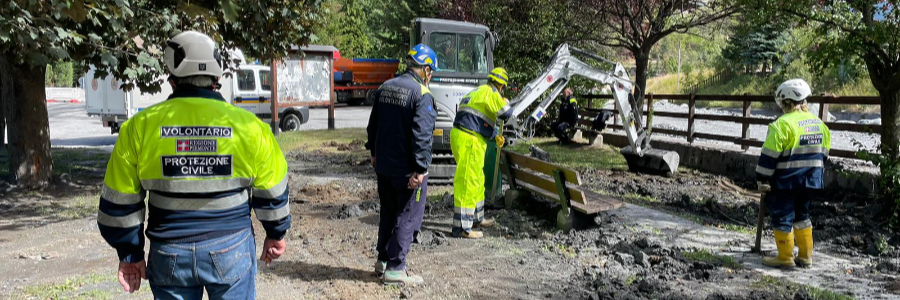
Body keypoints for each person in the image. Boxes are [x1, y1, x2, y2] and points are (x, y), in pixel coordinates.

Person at [97, 31, 291, 299]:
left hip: (169, 252)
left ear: (172, 78)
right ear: (217, 78)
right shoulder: (250, 128)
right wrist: (276, 233)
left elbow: (120, 201)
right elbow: (272, 189)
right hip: (231, 248)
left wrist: (130, 253)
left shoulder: (139, 128)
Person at [365, 43, 438, 285]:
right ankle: (396, 268)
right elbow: (422, 136)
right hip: (407, 170)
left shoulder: (386, 86)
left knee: (388, 212)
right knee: (408, 216)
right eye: (432, 72)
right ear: (426, 70)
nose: (432, 77)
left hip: (384, 166)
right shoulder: (422, 94)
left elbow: (373, 124)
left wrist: (373, 152)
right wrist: (420, 170)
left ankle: (383, 260)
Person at [756, 78, 831, 269]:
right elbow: (824, 155)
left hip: (786, 182)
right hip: (811, 181)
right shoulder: (820, 125)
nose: (781, 107)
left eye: (782, 103)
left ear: (787, 102)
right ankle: (806, 257)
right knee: (802, 216)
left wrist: (762, 178)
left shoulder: (781, 125)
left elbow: (769, 156)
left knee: (782, 216)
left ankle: (785, 257)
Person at [450, 67, 510, 239]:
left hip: (467, 136)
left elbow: (477, 119)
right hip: (470, 140)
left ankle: (477, 218)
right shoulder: (491, 94)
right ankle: (462, 228)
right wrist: (505, 101)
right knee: (468, 182)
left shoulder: (477, 92)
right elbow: (506, 113)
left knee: (476, 179)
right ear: (501, 86)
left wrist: (493, 136)